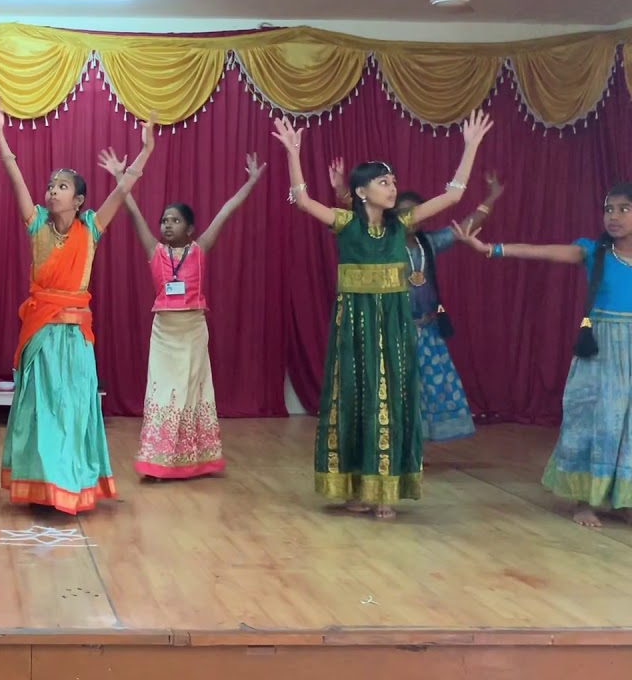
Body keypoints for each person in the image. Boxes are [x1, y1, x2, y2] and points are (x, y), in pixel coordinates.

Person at [271, 109, 492, 519]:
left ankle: (385, 491)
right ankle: (357, 486)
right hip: (353, 324)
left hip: (392, 325)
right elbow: (301, 200)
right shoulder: (346, 224)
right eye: (383, 183)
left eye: (392, 182)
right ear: (361, 192)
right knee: (354, 398)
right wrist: (293, 152)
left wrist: (471, 146)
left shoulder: (401, 224)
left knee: (389, 398)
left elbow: (454, 197)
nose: (392, 189)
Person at [0, 102, 155, 514]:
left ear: (79, 200)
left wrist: (146, 150)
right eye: (50, 185)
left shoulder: (92, 229)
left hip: (77, 339)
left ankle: (72, 485)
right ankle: (41, 486)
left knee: (73, 409)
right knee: (41, 410)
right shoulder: (35, 225)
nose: (51, 190)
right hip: (42, 335)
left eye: (62, 186)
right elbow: (13, 174)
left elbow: (123, 190)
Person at [451, 185, 632, 527]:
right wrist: (492, 249)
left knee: (630, 427)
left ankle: (623, 500)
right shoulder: (594, 252)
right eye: (609, 209)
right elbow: (543, 252)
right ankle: (586, 500)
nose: (614, 216)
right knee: (599, 422)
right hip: (603, 349)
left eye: (624, 209)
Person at [103, 148, 265, 479]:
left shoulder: (199, 249)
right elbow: (132, 214)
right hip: (164, 332)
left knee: (192, 392)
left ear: (190, 228)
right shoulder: (155, 251)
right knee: (163, 391)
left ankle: (195, 459)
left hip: (193, 329)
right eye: (164, 220)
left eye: (175, 220)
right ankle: (157, 461)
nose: (167, 225)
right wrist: (120, 178)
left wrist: (250, 183)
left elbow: (226, 212)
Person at [329, 161, 505, 442]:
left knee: (427, 391)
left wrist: (491, 198)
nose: (408, 216)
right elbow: (359, 218)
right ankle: (387, 445)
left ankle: (412, 448)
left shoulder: (430, 243)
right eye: (402, 210)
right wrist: (341, 190)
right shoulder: (384, 241)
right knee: (393, 391)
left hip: (428, 332)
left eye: (413, 212)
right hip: (392, 332)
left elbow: (466, 226)